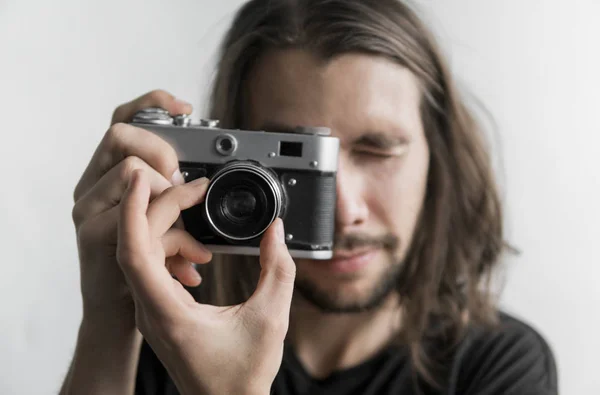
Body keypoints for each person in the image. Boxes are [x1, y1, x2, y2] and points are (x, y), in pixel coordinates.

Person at [60, 0, 558, 394]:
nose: (344, 211)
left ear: (439, 156)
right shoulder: (170, 327)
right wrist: (109, 317)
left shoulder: (499, 365)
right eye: (287, 161)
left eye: (378, 150)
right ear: (223, 162)